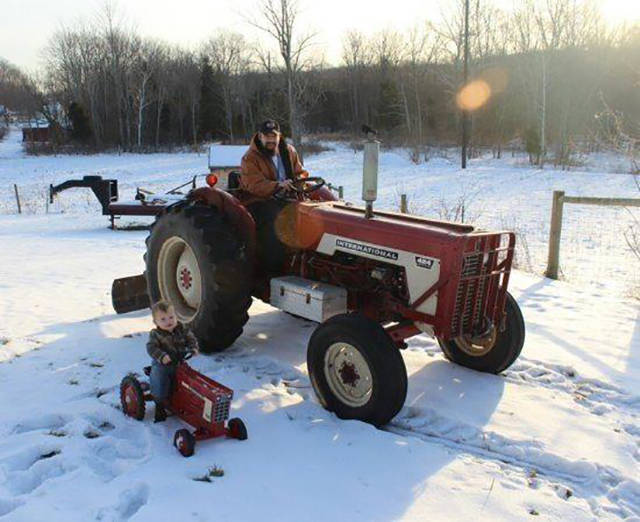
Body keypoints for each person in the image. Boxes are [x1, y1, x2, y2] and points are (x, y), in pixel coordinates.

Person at [146, 300, 199, 422]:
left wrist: (193, 348)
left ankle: (186, 399)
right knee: (160, 380)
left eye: (171, 317)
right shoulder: (155, 334)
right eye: (163, 319)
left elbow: (191, 339)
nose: (168, 321)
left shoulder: (182, 329)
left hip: (179, 361)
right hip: (162, 364)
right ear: (156, 322)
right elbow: (151, 347)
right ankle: (159, 405)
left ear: (176, 316)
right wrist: (162, 356)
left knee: (189, 379)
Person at [239, 119, 309, 198]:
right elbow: (254, 185)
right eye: (267, 136)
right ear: (260, 136)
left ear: (279, 136)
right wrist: (278, 185)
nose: (271, 140)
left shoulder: (290, 151)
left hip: (291, 196)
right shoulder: (249, 158)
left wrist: (298, 181)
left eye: (274, 136)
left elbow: (300, 172)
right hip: (263, 200)